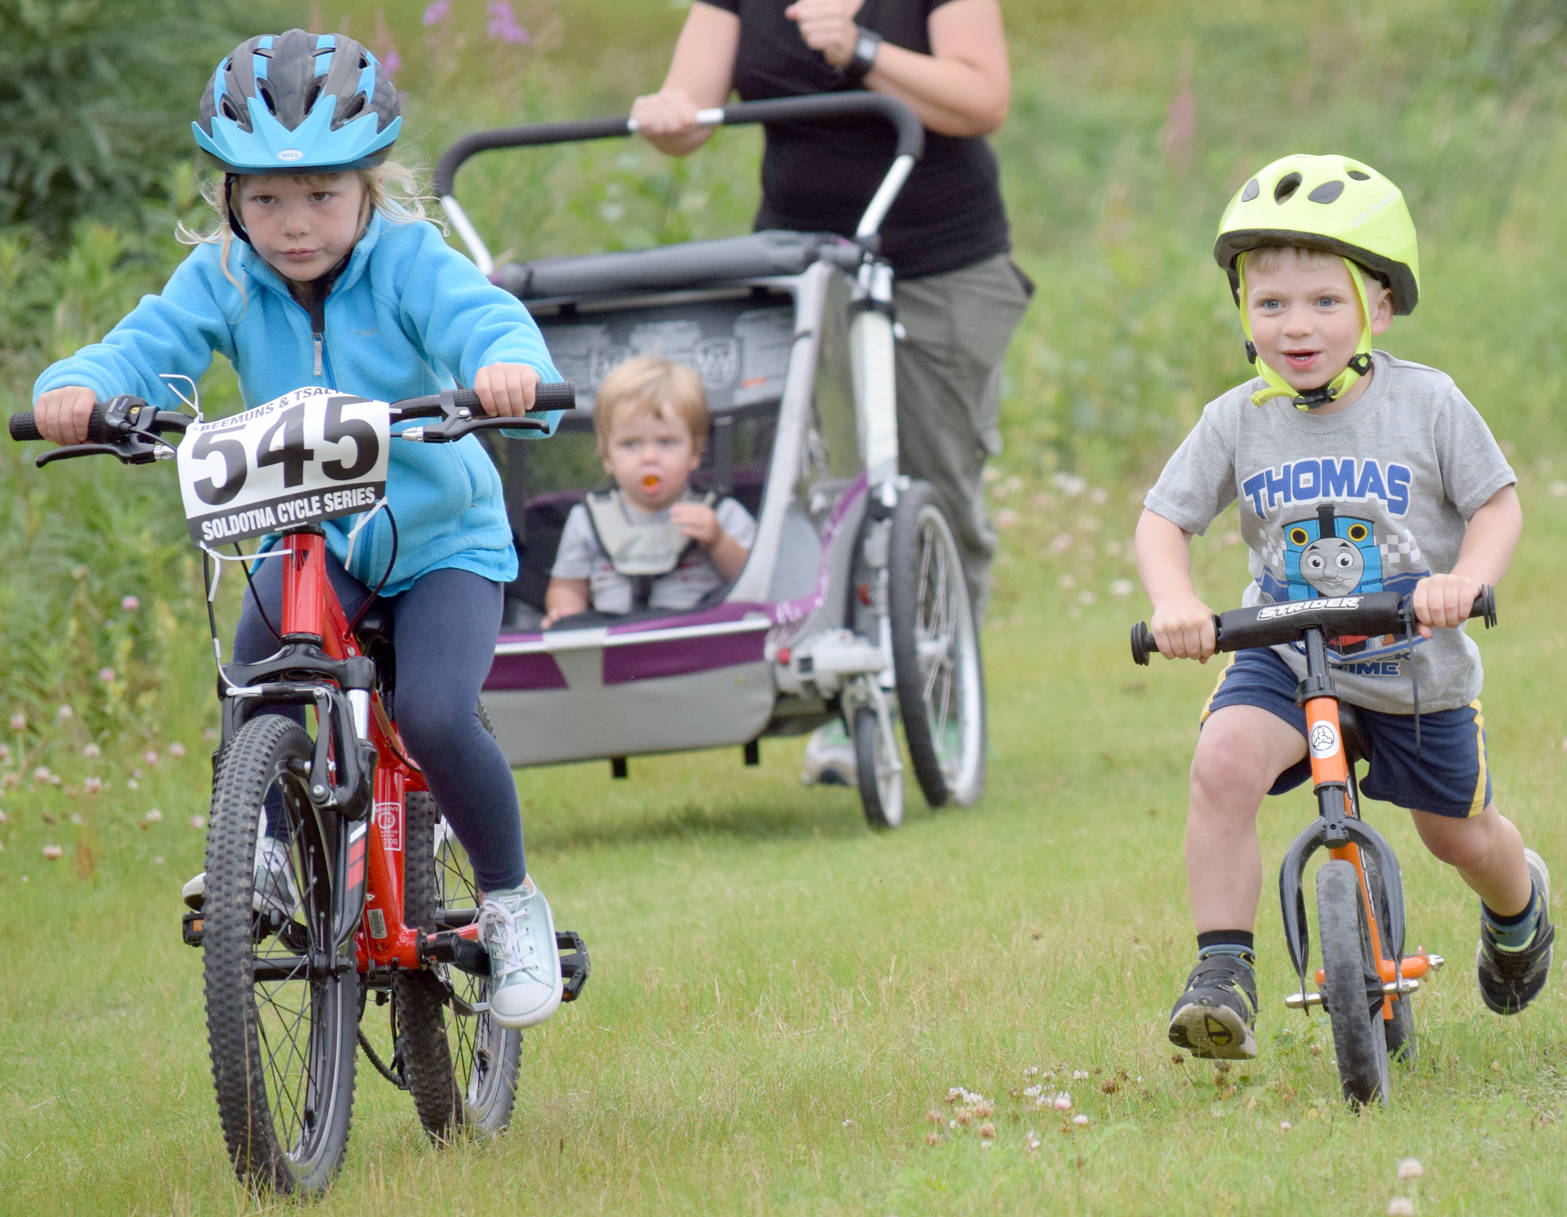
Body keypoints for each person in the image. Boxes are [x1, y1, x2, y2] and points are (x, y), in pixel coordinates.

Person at [31, 29, 567, 1030]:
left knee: (441, 713)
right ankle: (263, 851)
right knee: (255, 677)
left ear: (370, 185)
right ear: (229, 196)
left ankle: (509, 900)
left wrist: (506, 372)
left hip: (438, 539)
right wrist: (81, 387)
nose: (292, 223)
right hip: (308, 534)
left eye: (321, 194)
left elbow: (482, 320)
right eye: (264, 197)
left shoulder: (411, 261)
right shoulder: (225, 276)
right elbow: (145, 345)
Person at [1134, 153, 1553, 1060]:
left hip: (1413, 664)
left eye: (1325, 300)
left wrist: (1464, 578)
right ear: (1243, 311)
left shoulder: (1427, 404)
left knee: (1459, 835)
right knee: (1221, 766)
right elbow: (1163, 520)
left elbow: (1496, 502)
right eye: (1270, 302)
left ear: (1379, 307)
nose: (1295, 326)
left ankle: (1518, 907)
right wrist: (1175, 599)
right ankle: (1221, 971)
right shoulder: (1235, 419)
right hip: (1285, 652)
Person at [631, 0, 1031, 783]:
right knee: (829, 490)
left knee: (937, 486)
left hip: (940, 264)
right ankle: (857, 708)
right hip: (806, 269)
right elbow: (688, 114)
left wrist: (861, 49)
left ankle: (943, 702)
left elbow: (982, 100)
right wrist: (665, 115)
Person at [542, 354, 755, 625]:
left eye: (666, 442)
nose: (649, 458)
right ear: (607, 456)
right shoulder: (585, 520)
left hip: (694, 639)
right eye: (631, 444)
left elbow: (755, 581)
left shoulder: (721, 514)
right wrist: (565, 614)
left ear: (695, 452)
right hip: (614, 644)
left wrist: (719, 542)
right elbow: (567, 587)